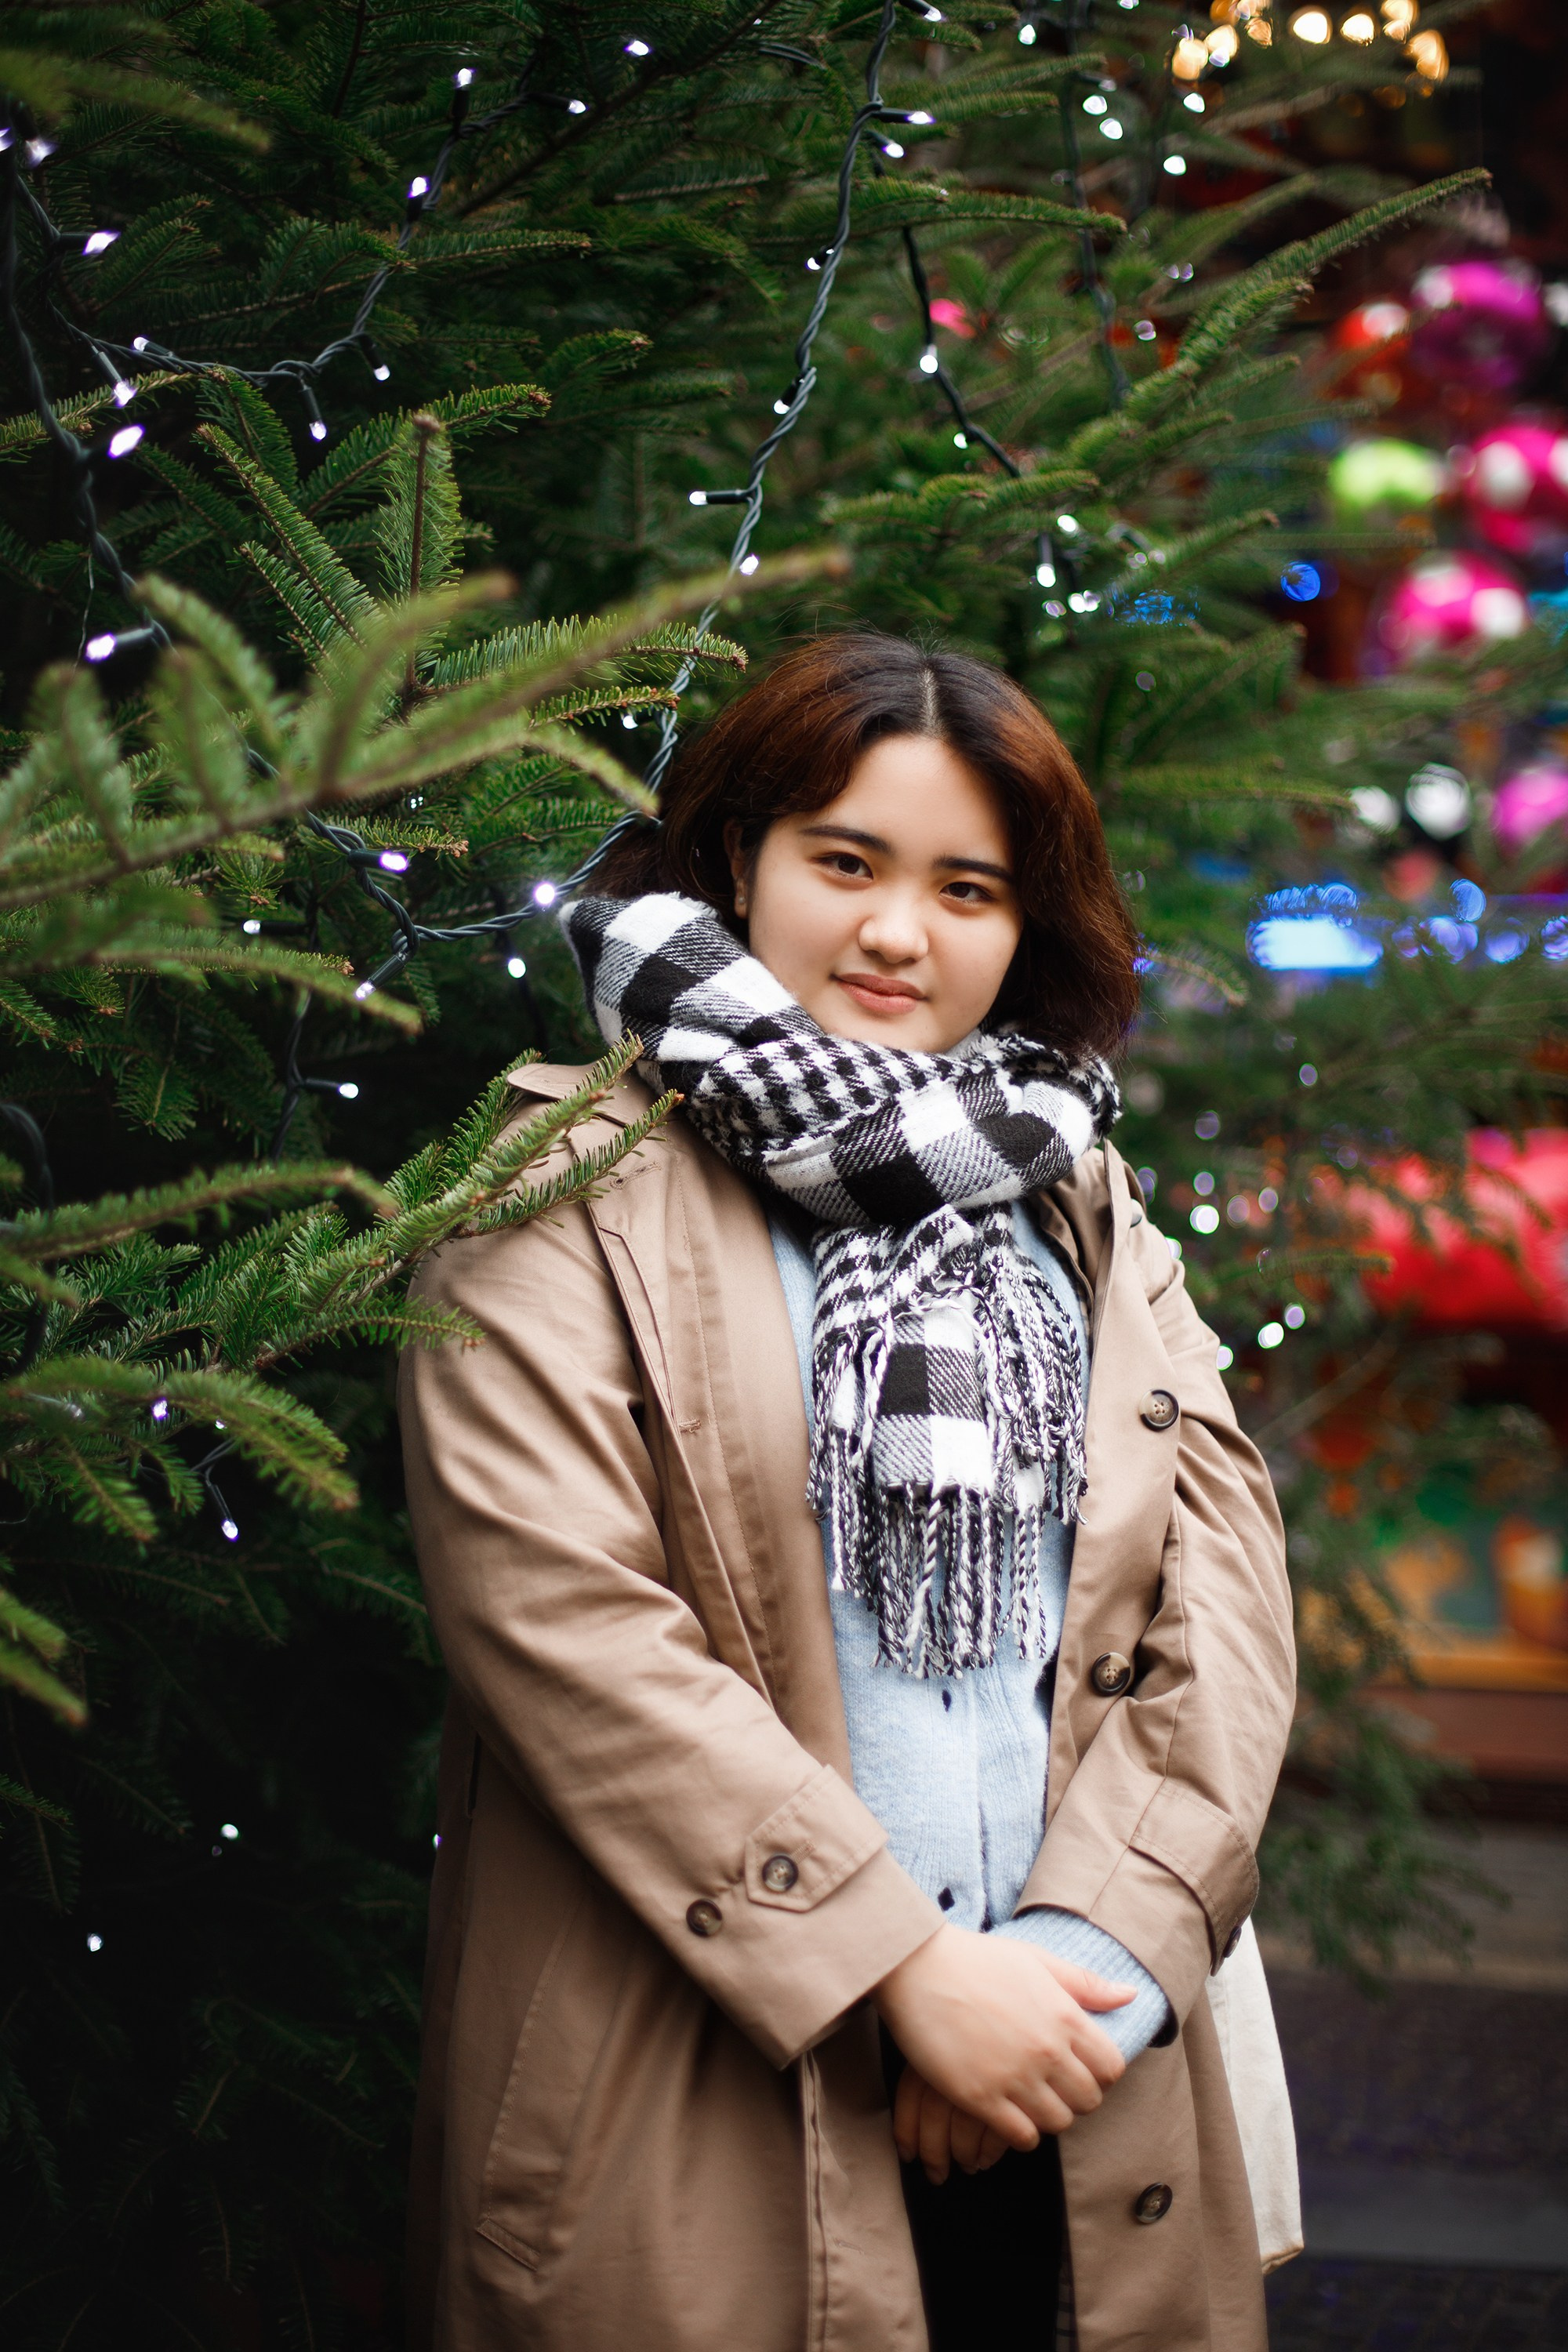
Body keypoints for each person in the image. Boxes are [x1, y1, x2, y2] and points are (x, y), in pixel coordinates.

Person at [398, 633, 1296, 2352]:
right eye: (845, 862)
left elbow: (1224, 1602)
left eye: (968, 886)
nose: (900, 932)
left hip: (1070, 2070)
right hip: (711, 2067)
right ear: (737, 858)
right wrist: (905, 1979)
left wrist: (1078, 1977)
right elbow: (566, 1630)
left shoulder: (1077, 1198)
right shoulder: (554, 1182)